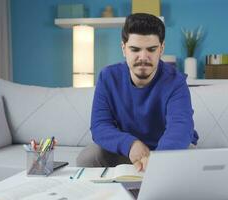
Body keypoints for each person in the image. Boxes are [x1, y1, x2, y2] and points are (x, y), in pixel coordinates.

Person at [77, 13, 198, 172]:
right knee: (87, 157)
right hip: (127, 150)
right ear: (124, 49)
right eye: (135, 49)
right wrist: (130, 144)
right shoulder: (107, 77)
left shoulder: (176, 81)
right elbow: (100, 126)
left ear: (161, 49)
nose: (143, 57)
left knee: (192, 162)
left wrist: (158, 162)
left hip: (167, 150)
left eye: (151, 49)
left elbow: (180, 128)